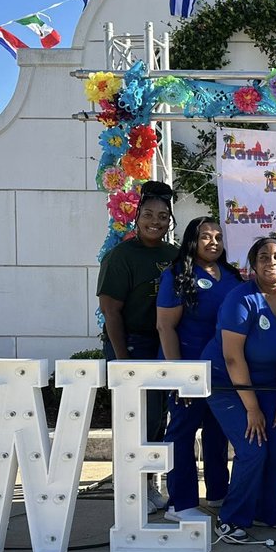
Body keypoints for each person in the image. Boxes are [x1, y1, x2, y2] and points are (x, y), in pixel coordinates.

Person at [202, 236, 276, 543]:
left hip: (269, 384)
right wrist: (252, 409)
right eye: (263, 256)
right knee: (253, 448)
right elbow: (233, 358)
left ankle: (266, 511)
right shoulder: (241, 299)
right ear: (252, 265)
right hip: (226, 383)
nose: (271, 262)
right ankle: (231, 518)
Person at [96, 180, 178, 510]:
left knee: (158, 417)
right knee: (136, 418)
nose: (155, 222)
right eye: (148, 214)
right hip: (129, 343)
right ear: (137, 216)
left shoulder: (174, 255)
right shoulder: (120, 256)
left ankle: (150, 481)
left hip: (162, 344)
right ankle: (133, 486)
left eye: (162, 216)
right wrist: (121, 358)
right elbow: (110, 311)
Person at [154, 217, 243, 520]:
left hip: (222, 369)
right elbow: (165, 327)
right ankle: (181, 504)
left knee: (219, 431)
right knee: (183, 430)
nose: (213, 242)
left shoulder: (231, 275)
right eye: (206, 236)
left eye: (218, 236)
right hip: (188, 368)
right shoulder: (178, 274)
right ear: (192, 240)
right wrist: (178, 376)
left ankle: (218, 493)